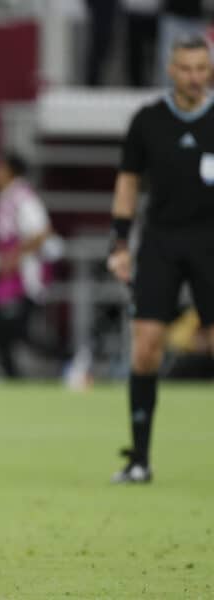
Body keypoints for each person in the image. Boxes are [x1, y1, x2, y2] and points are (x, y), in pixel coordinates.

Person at [107, 34, 214, 484]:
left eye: (201, 68)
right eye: (185, 68)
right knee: (147, 343)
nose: (194, 76)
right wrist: (119, 242)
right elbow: (129, 183)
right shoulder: (148, 121)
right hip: (161, 241)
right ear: (170, 71)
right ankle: (139, 461)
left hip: (211, 241)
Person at [0, 152, 62, 379]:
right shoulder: (6, 197)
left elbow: (42, 232)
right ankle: (9, 374)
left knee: (18, 330)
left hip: (25, 275)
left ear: (10, 171)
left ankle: (68, 359)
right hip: (9, 276)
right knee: (1, 325)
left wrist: (13, 257)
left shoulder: (23, 197)